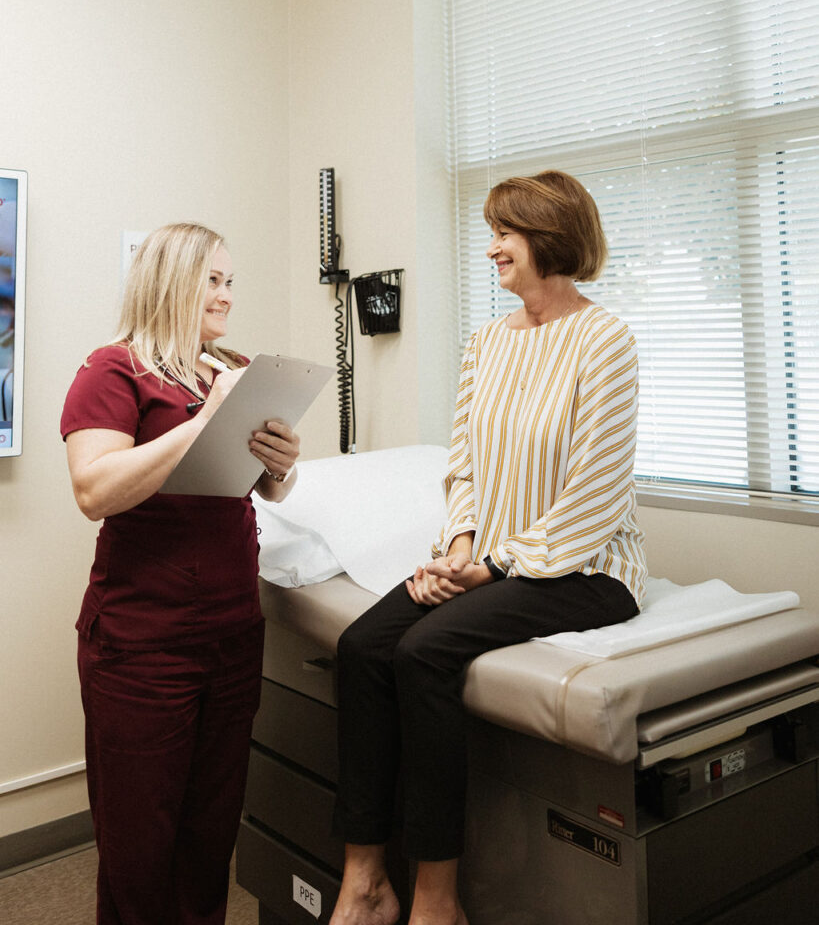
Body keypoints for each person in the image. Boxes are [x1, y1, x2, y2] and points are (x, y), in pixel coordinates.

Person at [328, 171, 647, 925]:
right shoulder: (484, 344)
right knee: (361, 643)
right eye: (492, 230)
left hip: (587, 566)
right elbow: (463, 462)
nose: (491, 246)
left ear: (549, 237)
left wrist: (492, 568)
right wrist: (462, 546)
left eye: (505, 231)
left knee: (424, 650)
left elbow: (593, 495)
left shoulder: (605, 341)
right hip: (492, 557)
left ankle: (438, 899)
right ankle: (365, 878)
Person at [61, 223, 300, 925]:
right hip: (143, 647)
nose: (227, 296)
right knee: (140, 851)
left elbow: (259, 488)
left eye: (230, 281)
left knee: (208, 839)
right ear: (170, 284)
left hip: (231, 635)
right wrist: (206, 421)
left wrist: (280, 465)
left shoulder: (229, 367)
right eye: (213, 281)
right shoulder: (111, 371)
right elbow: (94, 491)